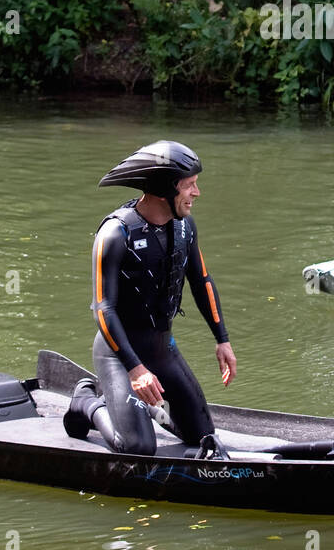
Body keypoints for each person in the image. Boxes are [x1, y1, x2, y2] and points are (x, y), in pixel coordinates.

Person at [63, 140, 237, 457]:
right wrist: (135, 370)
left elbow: (202, 282)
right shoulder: (116, 234)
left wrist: (221, 338)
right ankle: (87, 402)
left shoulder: (185, 227)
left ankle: (146, 409)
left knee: (202, 437)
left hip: (162, 348)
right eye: (190, 186)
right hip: (120, 355)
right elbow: (104, 308)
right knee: (137, 447)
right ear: (163, 190)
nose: (196, 193)